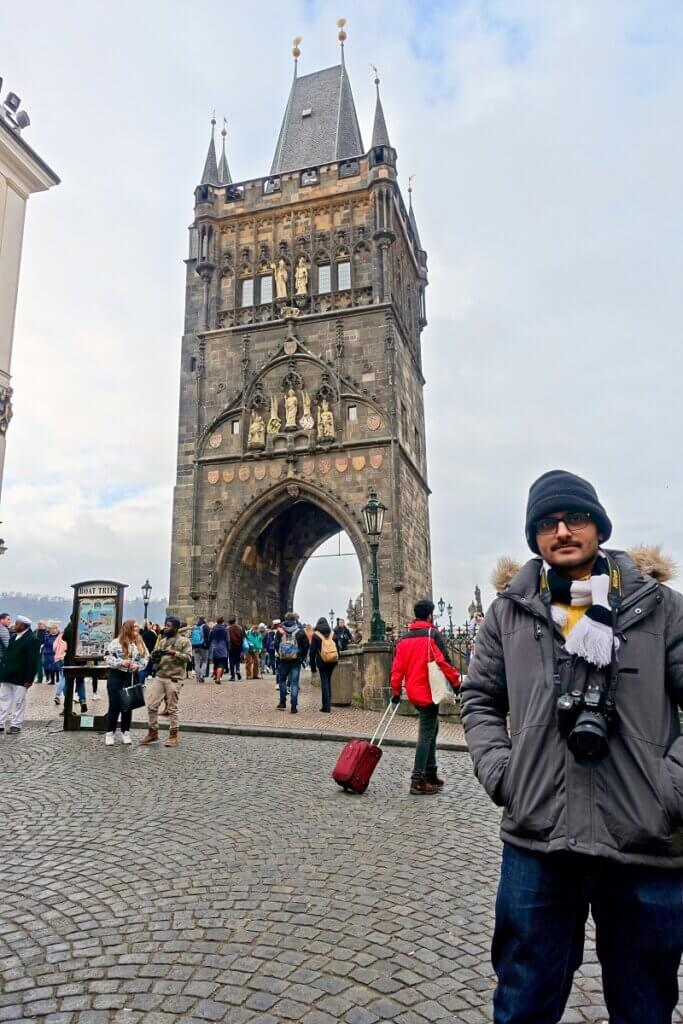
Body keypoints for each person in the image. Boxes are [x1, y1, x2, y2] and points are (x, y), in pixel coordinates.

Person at [461, 469, 683, 1024]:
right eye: (546, 524)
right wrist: (504, 775)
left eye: (574, 519)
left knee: (645, 1006)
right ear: (534, 537)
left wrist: (671, 789)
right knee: (523, 1001)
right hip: (540, 837)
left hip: (641, 840)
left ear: (599, 526)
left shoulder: (660, 607)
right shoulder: (509, 613)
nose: (561, 531)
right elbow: (480, 699)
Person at [390, 599, 461, 794]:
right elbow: (443, 661)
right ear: (430, 615)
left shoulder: (404, 639)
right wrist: (456, 683)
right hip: (430, 690)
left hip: (414, 690)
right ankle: (418, 779)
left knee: (432, 728)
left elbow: (397, 669)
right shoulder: (432, 635)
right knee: (426, 732)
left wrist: (396, 691)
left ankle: (430, 772)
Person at [140, 616, 191, 748]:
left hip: (174, 678)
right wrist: (154, 657)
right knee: (151, 705)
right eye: (165, 625)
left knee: (172, 708)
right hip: (160, 676)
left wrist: (174, 653)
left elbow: (188, 658)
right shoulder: (162, 641)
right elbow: (156, 658)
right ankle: (153, 732)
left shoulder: (184, 641)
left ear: (175, 627)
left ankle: (173, 736)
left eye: (168, 625)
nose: (166, 627)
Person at [103, 620, 148, 746]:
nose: (137, 629)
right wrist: (120, 662)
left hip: (131, 675)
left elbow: (146, 658)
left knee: (128, 705)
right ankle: (110, 733)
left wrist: (138, 666)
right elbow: (107, 657)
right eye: (134, 627)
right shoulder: (115, 643)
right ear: (128, 628)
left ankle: (125, 732)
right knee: (114, 704)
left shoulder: (139, 642)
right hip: (116, 675)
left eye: (137, 627)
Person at [0, 616, 41, 734]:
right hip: (8, 674)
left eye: (17, 624)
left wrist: (29, 678)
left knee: (19, 701)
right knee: (4, 699)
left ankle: (15, 724)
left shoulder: (32, 640)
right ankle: (1, 722)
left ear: (23, 626)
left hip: (21, 676)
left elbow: (32, 661)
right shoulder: (13, 638)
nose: (14, 625)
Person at [275, 612, 309, 714]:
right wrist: (301, 657)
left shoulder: (280, 631)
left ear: (285, 619)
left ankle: (282, 702)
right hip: (295, 661)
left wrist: (281, 654)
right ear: (295, 620)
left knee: (282, 680)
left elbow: (276, 644)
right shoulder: (300, 631)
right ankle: (294, 706)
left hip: (283, 660)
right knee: (294, 682)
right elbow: (306, 646)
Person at [309, 616, 338, 713]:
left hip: (322, 662)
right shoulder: (333, 634)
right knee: (328, 681)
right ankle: (328, 702)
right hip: (332, 661)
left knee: (324, 682)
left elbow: (312, 652)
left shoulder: (316, 635)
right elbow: (338, 648)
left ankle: (326, 706)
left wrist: (312, 666)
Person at [208, 616, 229, 684]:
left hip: (214, 648)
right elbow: (227, 640)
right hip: (223, 648)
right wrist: (228, 647)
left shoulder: (213, 629)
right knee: (221, 664)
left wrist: (209, 645)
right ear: (223, 622)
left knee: (216, 663)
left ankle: (216, 675)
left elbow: (209, 639)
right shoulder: (225, 629)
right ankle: (218, 678)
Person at [190, 616, 210, 682]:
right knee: (204, 661)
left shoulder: (195, 627)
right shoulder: (205, 627)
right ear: (204, 620)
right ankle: (202, 675)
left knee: (197, 663)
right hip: (203, 646)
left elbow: (191, 636)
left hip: (195, 646)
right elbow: (208, 637)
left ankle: (197, 677)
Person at [227, 616, 245, 681]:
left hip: (231, 646)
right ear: (235, 621)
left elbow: (227, 638)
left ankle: (232, 676)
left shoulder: (228, 629)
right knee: (237, 660)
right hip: (238, 646)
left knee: (231, 661)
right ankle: (237, 670)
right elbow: (242, 637)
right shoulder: (239, 628)